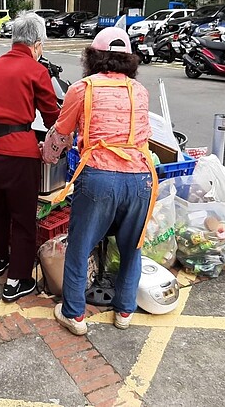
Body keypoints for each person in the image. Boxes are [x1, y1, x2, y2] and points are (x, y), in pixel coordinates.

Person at [42, 27, 158, 335]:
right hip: (141, 178)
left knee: (80, 246)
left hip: (99, 177)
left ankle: (75, 315)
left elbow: (62, 132)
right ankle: (124, 311)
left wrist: (48, 154)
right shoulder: (139, 91)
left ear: (93, 57)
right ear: (129, 60)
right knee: (132, 247)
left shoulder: (82, 89)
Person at [0, 11, 60, 302]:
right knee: (22, 219)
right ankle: (17, 280)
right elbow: (52, 118)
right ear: (36, 44)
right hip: (19, 157)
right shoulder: (36, 70)